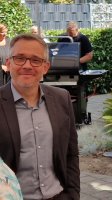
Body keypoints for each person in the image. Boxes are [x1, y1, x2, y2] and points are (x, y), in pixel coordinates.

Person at [0, 34, 80, 199]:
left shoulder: (61, 98)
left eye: (36, 60)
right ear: (8, 63)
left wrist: (72, 194)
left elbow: (71, 154)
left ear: (45, 67)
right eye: (20, 58)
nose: (27, 66)